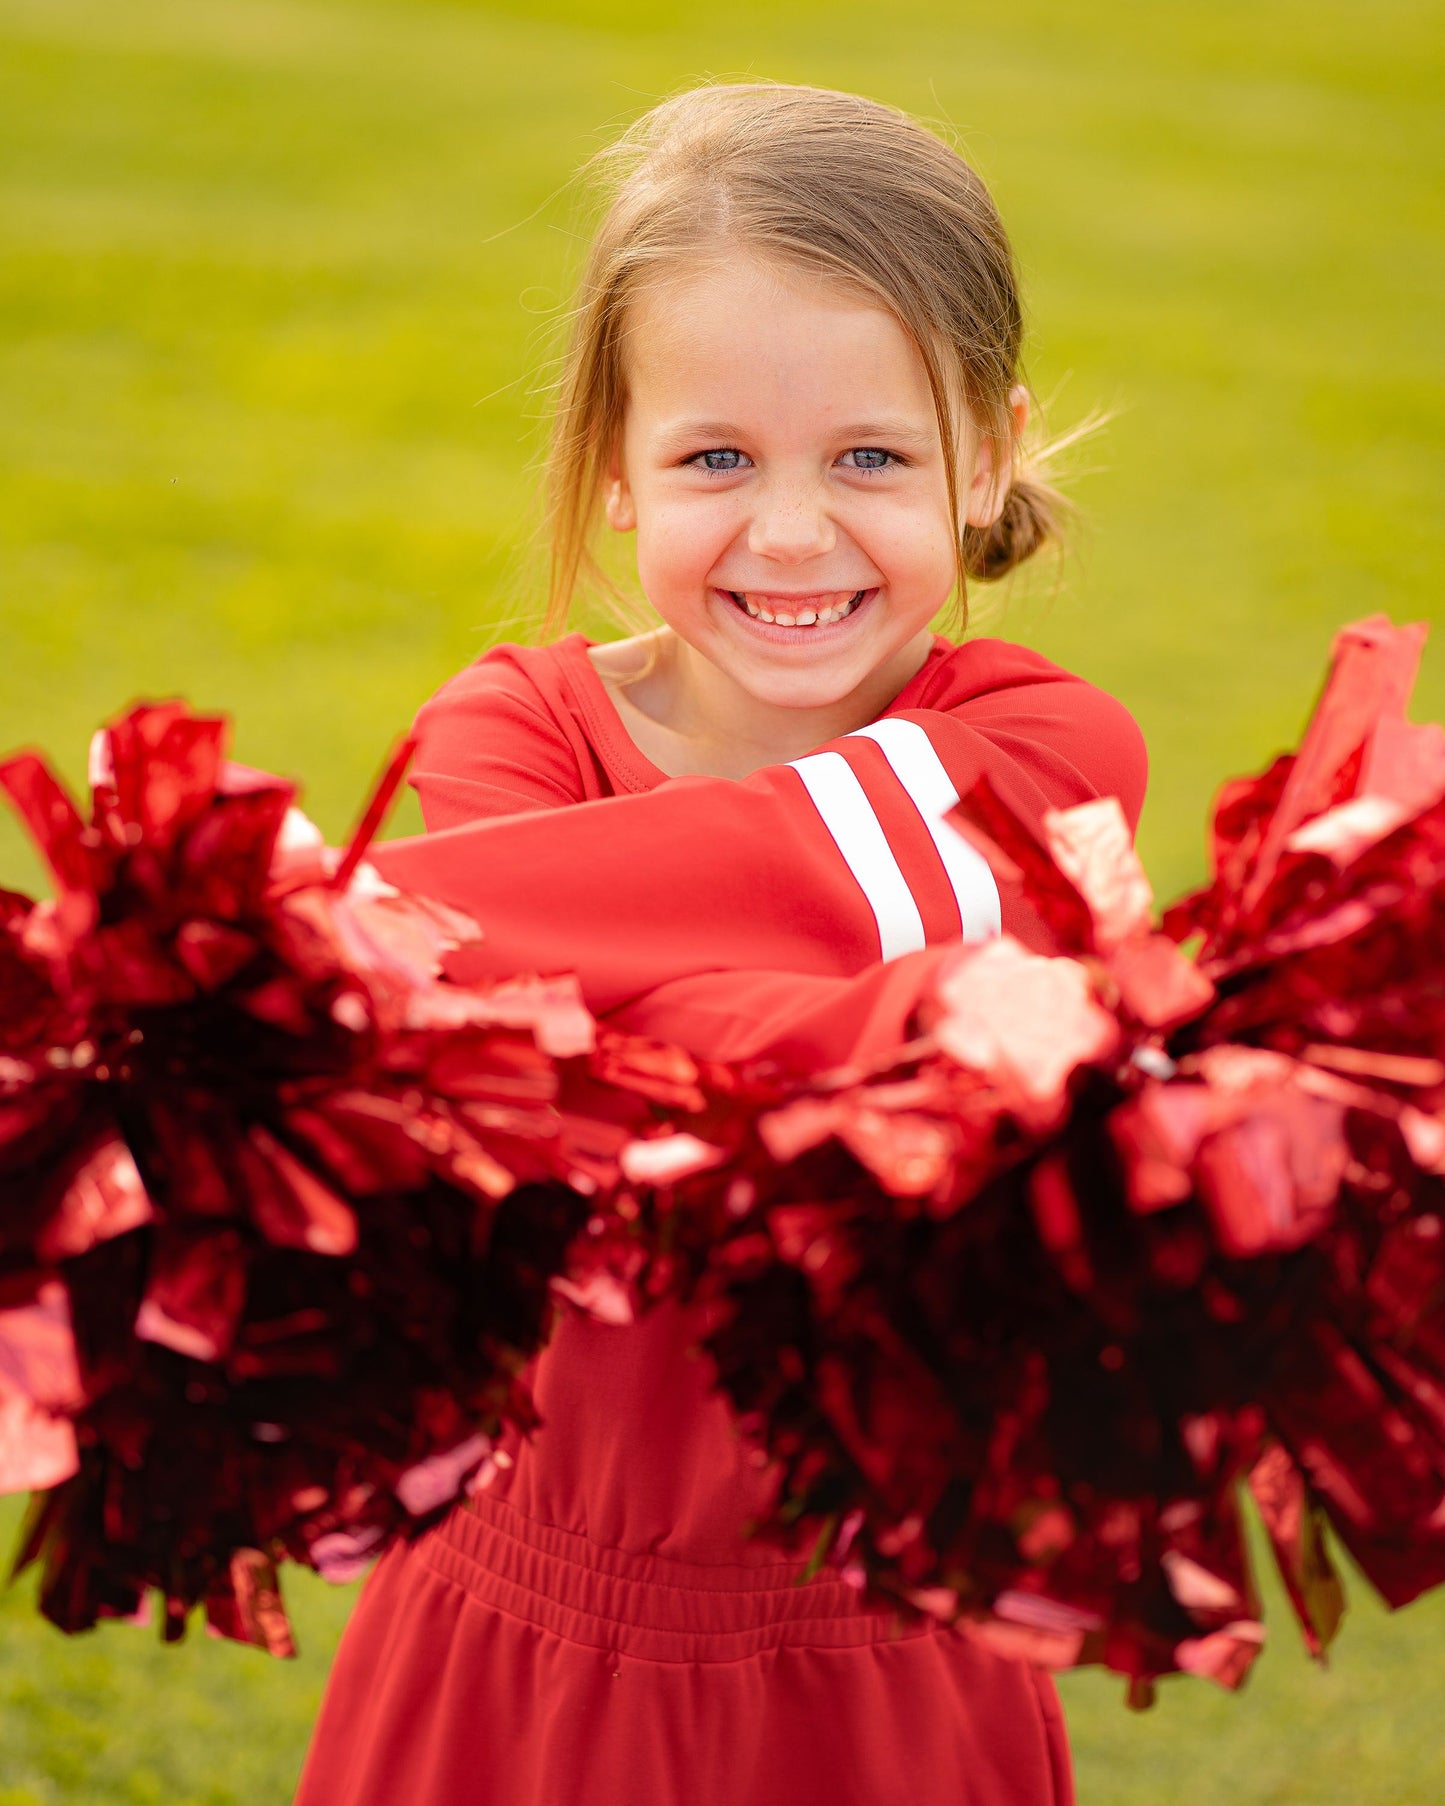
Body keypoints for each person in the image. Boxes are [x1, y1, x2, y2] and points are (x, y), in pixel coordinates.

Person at [294, 82, 1147, 1806]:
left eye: (870, 457)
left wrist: (345, 919)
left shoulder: (1049, 752)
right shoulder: (502, 737)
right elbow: (622, 1052)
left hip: (886, 1642)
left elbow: (484, 972)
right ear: (612, 465)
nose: (787, 531)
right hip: (518, 1630)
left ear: (987, 454)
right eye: (711, 458)